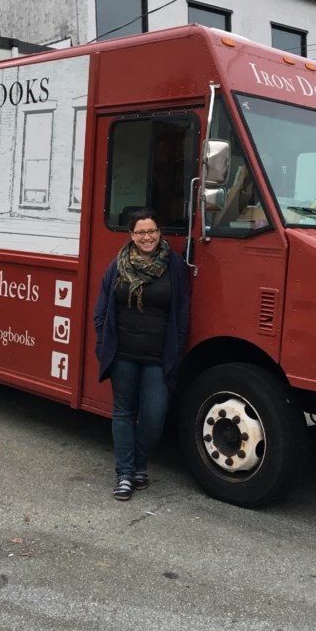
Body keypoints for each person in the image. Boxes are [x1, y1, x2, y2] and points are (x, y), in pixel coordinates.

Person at [94, 208, 191, 501]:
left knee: (154, 416)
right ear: (131, 235)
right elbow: (101, 309)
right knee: (123, 413)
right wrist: (103, 343)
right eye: (140, 232)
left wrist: (176, 345)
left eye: (151, 231)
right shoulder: (119, 264)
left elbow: (183, 311)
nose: (146, 237)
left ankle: (139, 463)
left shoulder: (174, 266)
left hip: (157, 357)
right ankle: (126, 474)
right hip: (123, 352)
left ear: (159, 233)